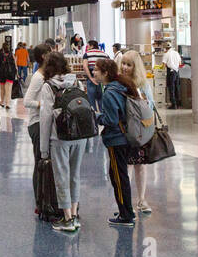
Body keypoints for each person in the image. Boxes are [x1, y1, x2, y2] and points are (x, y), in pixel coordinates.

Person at [38, 51, 94, 234]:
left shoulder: (48, 87)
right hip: (79, 137)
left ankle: (67, 218)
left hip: (59, 137)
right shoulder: (76, 82)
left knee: (61, 176)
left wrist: (44, 149)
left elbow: (45, 117)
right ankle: (76, 215)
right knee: (75, 175)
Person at [94, 57, 140, 225]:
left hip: (116, 139)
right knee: (119, 175)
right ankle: (125, 209)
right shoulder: (121, 86)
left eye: (96, 70)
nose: (94, 72)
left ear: (105, 73)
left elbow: (111, 120)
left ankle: (126, 214)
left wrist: (97, 117)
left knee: (118, 177)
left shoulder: (110, 92)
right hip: (126, 136)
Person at [120, 50, 156, 216]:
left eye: (129, 64)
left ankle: (141, 199)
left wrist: (146, 103)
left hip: (141, 131)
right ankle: (126, 202)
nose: (125, 67)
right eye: (123, 64)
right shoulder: (118, 83)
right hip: (125, 131)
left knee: (140, 166)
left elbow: (151, 105)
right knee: (126, 166)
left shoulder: (143, 84)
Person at [0, 38, 17, 108]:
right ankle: (7, 103)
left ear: (2, 47)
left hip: (1, 73)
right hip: (10, 73)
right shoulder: (12, 54)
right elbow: (15, 65)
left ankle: (2, 102)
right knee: (8, 89)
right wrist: (17, 73)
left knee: (2, 89)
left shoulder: (0, 54)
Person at [162, 41, 182, 109]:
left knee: (171, 88)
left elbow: (163, 65)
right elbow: (180, 63)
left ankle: (173, 104)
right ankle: (178, 104)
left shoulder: (166, 54)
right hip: (177, 72)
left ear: (165, 48)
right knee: (177, 87)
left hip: (171, 72)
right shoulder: (176, 53)